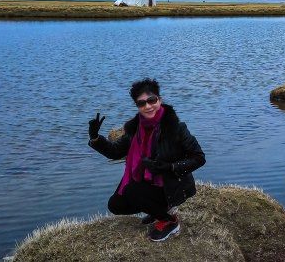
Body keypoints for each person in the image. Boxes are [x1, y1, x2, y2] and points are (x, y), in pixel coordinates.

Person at [87, 78, 206, 242]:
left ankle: (170, 221)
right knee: (115, 205)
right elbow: (115, 152)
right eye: (141, 103)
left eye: (152, 100)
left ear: (159, 100)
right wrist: (95, 137)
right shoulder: (134, 129)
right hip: (147, 184)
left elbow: (199, 157)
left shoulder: (176, 128)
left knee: (131, 190)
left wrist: (170, 167)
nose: (148, 106)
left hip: (171, 185)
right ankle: (157, 209)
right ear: (137, 106)